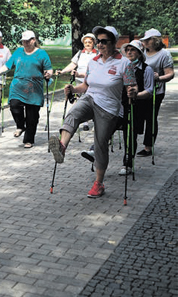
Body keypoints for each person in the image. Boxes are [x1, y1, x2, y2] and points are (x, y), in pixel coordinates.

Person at [48, 26, 138, 198]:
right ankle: (61, 147)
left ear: (114, 43)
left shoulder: (124, 63)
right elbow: (86, 86)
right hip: (90, 98)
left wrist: (132, 92)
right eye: (98, 41)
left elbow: (132, 86)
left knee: (100, 144)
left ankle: (99, 183)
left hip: (109, 107)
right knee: (73, 114)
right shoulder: (93, 61)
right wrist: (73, 89)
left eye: (104, 41)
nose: (100, 44)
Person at [0, 30, 53, 148]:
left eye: (28, 41)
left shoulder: (41, 54)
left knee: (32, 116)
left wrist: (48, 74)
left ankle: (29, 139)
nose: (25, 43)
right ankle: (20, 126)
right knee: (14, 105)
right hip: (18, 87)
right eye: (23, 41)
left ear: (33, 40)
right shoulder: (19, 52)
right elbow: (7, 66)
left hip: (34, 89)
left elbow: (49, 69)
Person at [117, 40, 154, 175]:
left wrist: (136, 95)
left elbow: (149, 91)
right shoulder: (121, 66)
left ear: (139, 53)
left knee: (130, 135)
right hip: (120, 105)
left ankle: (128, 164)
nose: (129, 52)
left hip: (136, 106)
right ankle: (95, 152)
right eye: (127, 50)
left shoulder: (146, 69)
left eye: (133, 50)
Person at [137, 28, 174, 157]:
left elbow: (170, 74)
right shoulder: (142, 52)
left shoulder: (164, 54)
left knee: (151, 117)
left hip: (156, 92)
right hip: (141, 89)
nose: (145, 43)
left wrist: (158, 78)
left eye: (148, 40)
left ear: (155, 41)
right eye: (144, 40)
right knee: (139, 115)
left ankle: (148, 147)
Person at [57, 33, 98, 131]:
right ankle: (85, 122)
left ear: (94, 43)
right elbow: (73, 64)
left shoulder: (97, 54)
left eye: (90, 42)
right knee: (80, 99)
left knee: (92, 99)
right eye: (86, 42)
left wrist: (80, 74)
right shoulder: (80, 53)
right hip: (79, 80)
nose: (87, 44)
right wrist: (62, 71)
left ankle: (94, 117)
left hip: (92, 80)